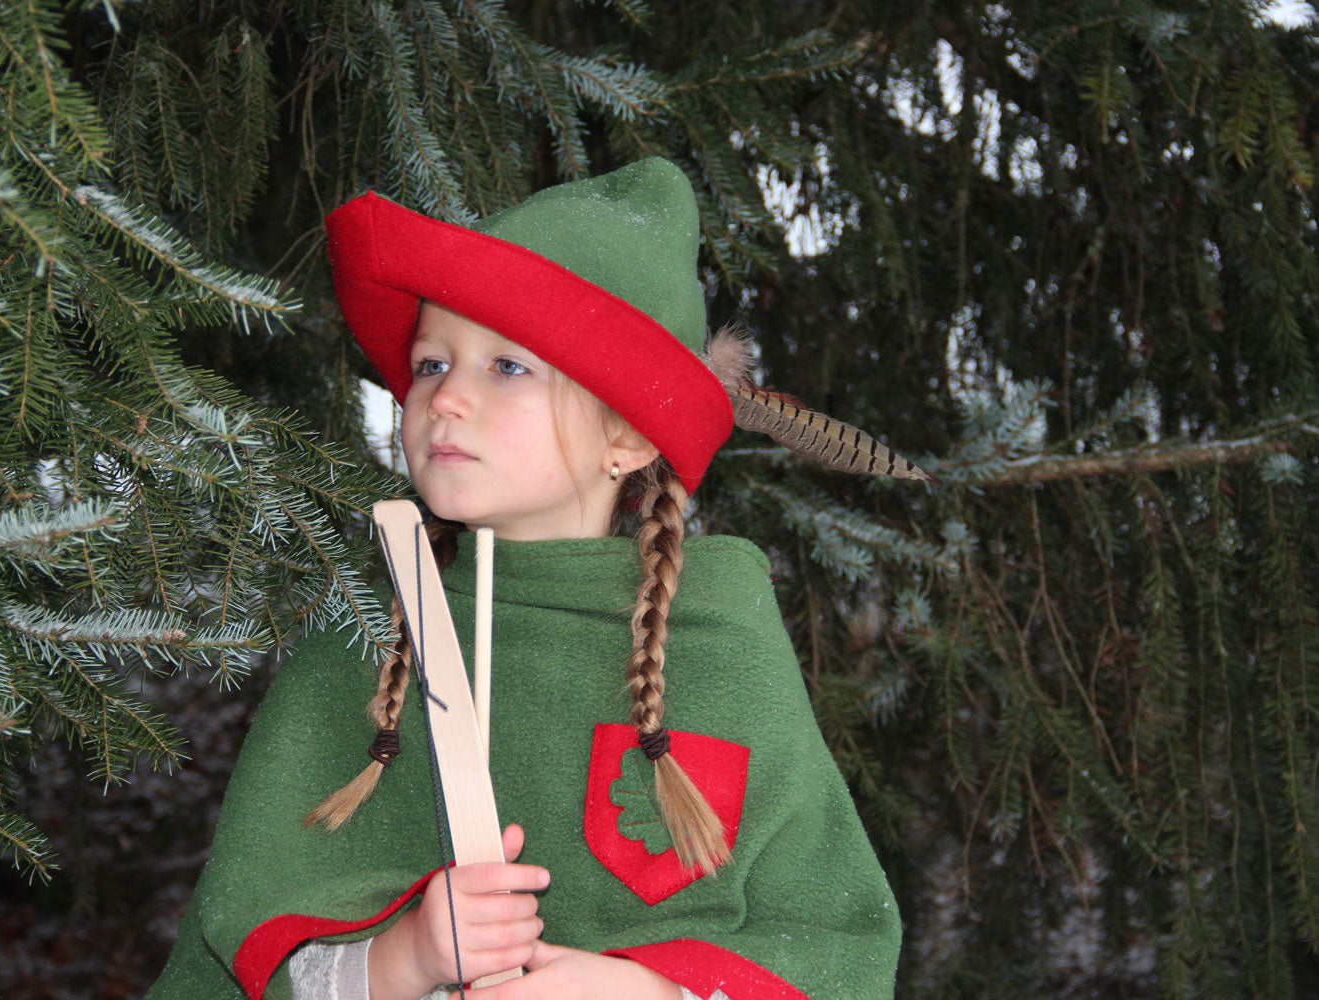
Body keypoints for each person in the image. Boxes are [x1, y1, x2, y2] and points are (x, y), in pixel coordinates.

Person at [146, 157, 915, 1000]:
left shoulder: (719, 646)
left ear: (627, 435)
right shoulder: (373, 634)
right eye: (433, 363)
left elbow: (833, 949)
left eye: (507, 367)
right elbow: (244, 957)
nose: (443, 399)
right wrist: (405, 959)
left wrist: (643, 993)